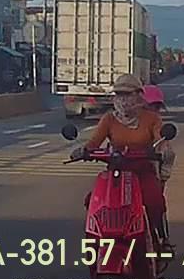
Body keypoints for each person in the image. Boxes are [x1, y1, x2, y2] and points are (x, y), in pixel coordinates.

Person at [71, 74, 169, 246]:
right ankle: (96, 242)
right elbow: (94, 143)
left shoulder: (151, 119)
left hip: (142, 171)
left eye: (128, 94)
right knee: (94, 202)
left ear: (139, 95)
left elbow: (161, 141)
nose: (123, 100)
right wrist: (83, 151)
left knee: (154, 201)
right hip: (116, 172)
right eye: (119, 94)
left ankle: (156, 237)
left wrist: (161, 150)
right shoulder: (109, 119)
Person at [141, 85, 176, 185]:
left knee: (168, 153)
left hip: (146, 165)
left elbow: (160, 139)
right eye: (149, 106)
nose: (153, 110)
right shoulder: (119, 119)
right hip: (121, 164)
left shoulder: (157, 122)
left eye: (157, 107)